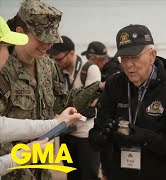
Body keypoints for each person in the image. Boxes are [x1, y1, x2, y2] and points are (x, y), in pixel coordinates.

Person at [0, 1, 103, 179]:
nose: (48, 45)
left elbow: (61, 103)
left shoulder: (47, 65)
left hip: (43, 165)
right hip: (12, 169)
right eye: (41, 39)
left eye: (52, 40)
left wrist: (98, 89)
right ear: (20, 32)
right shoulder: (3, 67)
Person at [88, 24, 166, 180]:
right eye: (124, 58)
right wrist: (103, 136)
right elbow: (94, 140)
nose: (129, 65)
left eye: (135, 57)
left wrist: (144, 137)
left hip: (163, 174)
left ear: (152, 55)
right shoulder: (113, 85)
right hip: (122, 174)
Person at [47, 35, 101, 180]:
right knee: (71, 175)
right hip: (66, 135)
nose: (56, 63)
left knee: (88, 175)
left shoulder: (90, 69)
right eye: (53, 59)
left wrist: (63, 111)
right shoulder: (58, 71)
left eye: (58, 59)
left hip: (85, 136)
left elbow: (92, 102)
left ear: (71, 53)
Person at [81, 41, 123, 180]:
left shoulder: (112, 74)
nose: (88, 61)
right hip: (109, 126)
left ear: (94, 58)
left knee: (109, 165)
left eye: (88, 58)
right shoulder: (113, 68)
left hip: (112, 127)